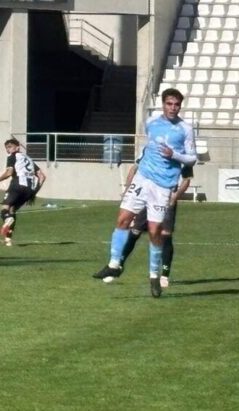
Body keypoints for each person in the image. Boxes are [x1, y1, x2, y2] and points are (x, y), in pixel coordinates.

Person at [92, 88, 196, 298]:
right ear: (163, 104)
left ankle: (154, 276)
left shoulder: (185, 129)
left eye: (176, 104)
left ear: (180, 106)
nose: (173, 108)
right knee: (123, 219)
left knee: (155, 230)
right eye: (169, 104)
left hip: (162, 185)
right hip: (143, 178)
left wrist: (174, 154)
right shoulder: (151, 123)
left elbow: (192, 159)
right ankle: (114, 264)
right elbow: (148, 148)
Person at [103, 162, 194, 288]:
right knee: (134, 232)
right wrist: (128, 191)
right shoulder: (152, 151)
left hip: (165, 199)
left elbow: (186, 180)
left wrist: (174, 197)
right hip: (147, 197)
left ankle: (164, 276)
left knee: (165, 235)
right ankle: (118, 267)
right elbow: (134, 168)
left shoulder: (183, 156)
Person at [0, 138, 46, 246]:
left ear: (18, 147)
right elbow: (42, 176)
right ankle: (8, 240)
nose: (8, 150)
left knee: (4, 209)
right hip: (29, 190)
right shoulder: (29, 159)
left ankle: (7, 219)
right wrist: (34, 192)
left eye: (10, 147)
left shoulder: (13, 156)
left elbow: (9, 172)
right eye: (7, 148)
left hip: (17, 185)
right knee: (12, 209)